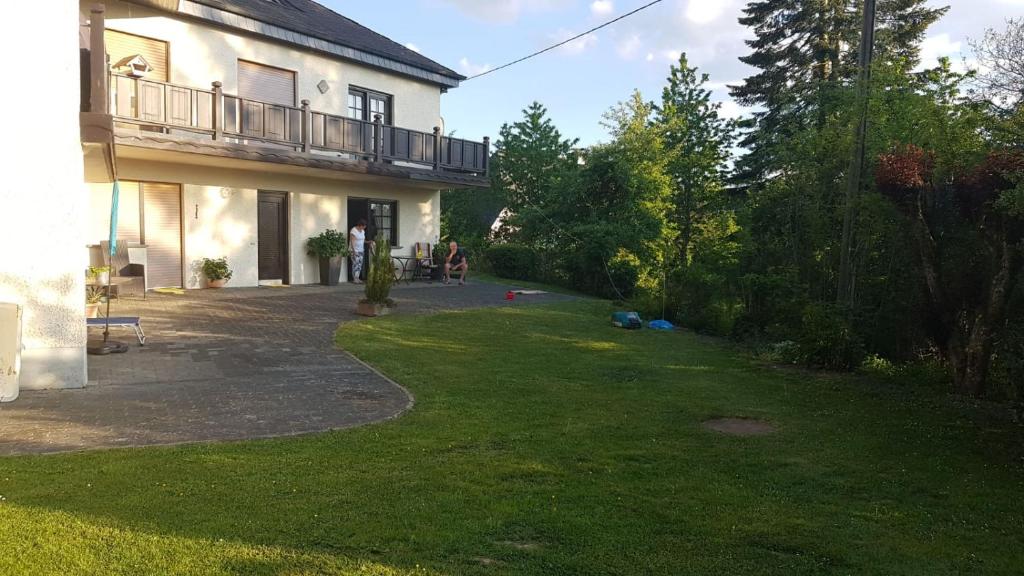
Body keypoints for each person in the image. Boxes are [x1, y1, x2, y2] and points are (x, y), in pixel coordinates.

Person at [349, 219, 367, 284]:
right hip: (355, 250)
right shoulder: (353, 231)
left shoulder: (363, 231)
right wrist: (354, 251)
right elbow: (352, 241)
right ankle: (355, 279)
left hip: (361, 250)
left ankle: (357, 278)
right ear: (360, 225)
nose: (364, 228)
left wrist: (369, 242)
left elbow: (363, 240)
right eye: (363, 226)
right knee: (355, 264)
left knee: (359, 265)